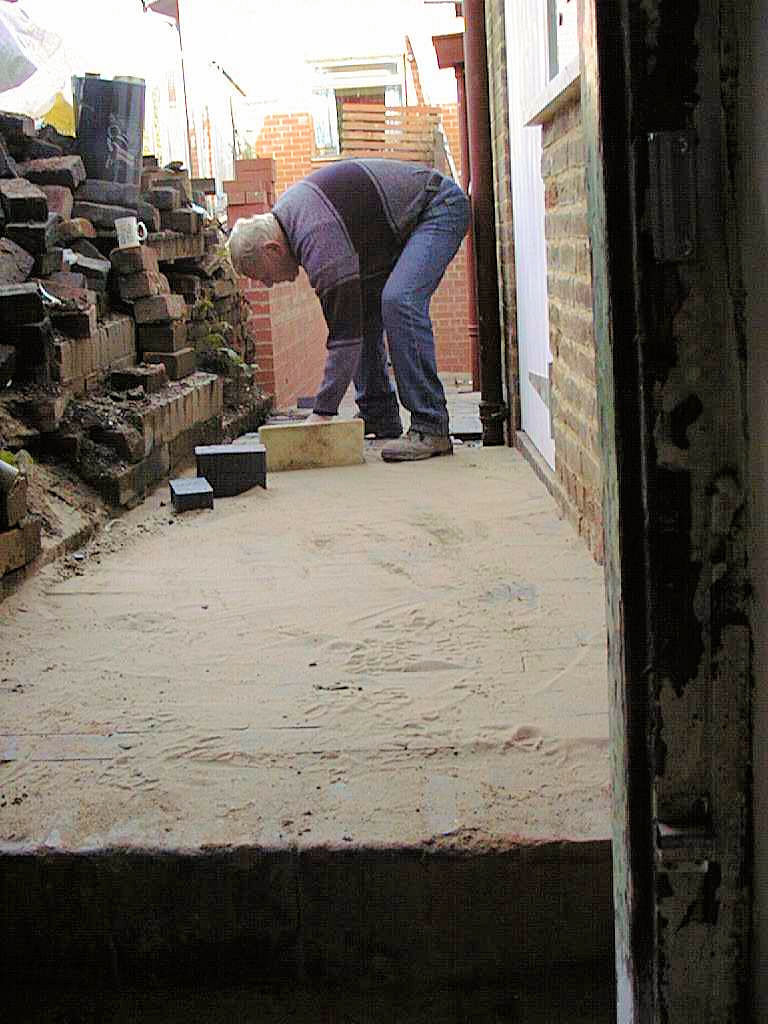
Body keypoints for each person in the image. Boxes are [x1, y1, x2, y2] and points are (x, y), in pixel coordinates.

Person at [228, 159, 470, 462]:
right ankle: (379, 413)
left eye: (262, 274)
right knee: (364, 311)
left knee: (399, 301)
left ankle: (430, 426)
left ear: (272, 249)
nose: (266, 284)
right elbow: (352, 324)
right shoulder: (293, 220)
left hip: (436, 207)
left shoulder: (316, 236)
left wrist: (322, 413)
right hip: (399, 230)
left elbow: (344, 338)